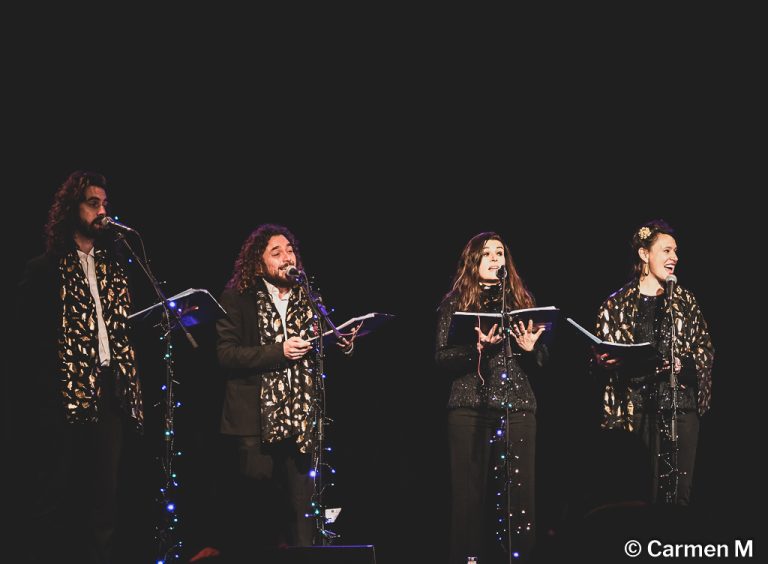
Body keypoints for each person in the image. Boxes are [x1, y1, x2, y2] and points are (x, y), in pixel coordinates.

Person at [16, 170, 143, 563]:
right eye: (93, 203)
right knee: (56, 494)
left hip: (110, 391)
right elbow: (27, 342)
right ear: (72, 208)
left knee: (104, 498)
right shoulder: (45, 268)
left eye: (105, 204)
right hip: (63, 397)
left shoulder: (115, 269)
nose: (102, 211)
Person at [215, 223, 353, 561]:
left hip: (299, 420)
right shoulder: (238, 297)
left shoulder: (308, 296)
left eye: (290, 250)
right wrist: (279, 350)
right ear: (257, 262)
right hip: (254, 422)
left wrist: (343, 341)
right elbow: (226, 354)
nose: (286, 257)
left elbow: (318, 343)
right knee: (259, 513)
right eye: (276, 252)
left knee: (302, 514)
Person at [436, 232, 548, 564]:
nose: (496, 259)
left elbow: (542, 360)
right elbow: (441, 359)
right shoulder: (455, 303)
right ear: (473, 261)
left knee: (520, 500)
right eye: (487, 254)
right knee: (468, 499)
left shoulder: (522, 301)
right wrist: (477, 350)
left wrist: (531, 351)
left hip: (518, 406)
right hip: (470, 407)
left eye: (501, 253)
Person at [592, 219, 714, 506]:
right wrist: (602, 361)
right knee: (636, 497)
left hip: (679, 408)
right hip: (634, 410)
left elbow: (705, 350)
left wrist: (683, 364)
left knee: (677, 498)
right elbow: (597, 362)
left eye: (676, 252)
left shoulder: (685, 301)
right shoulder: (615, 304)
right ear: (644, 254)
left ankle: (670, 548)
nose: (674, 258)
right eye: (666, 250)